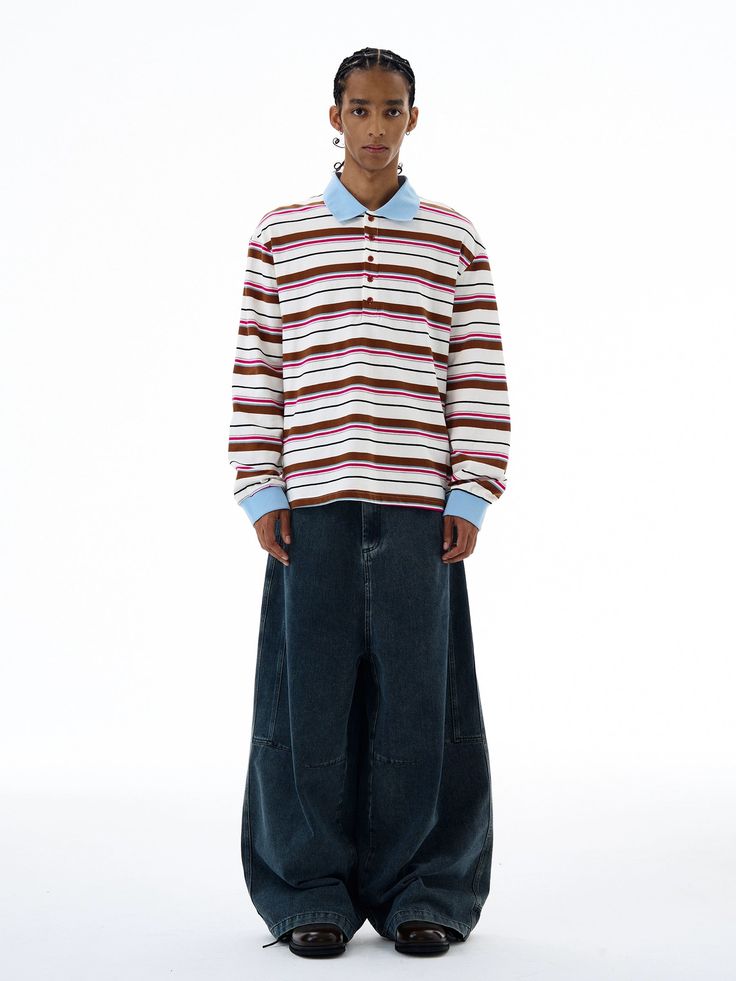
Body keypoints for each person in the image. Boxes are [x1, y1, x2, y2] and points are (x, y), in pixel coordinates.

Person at [227, 46, 511, 958]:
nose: (376, 127)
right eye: (360, 109)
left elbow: (476, 369)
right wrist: (260, 485)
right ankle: (307, 889)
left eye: (392, 110)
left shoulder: (454, 239)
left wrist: (471, 488)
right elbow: (260, 363)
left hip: (419, 510)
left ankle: (426, 886)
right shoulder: (282, 233)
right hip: (310, 505)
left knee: (423, 706)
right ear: (335, 115)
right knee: (304, 703)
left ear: (413, 118)